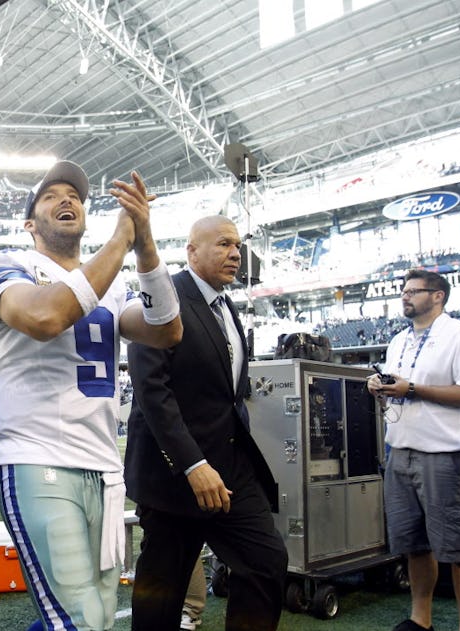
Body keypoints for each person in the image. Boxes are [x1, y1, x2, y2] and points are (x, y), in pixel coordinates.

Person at [0, 160, 182, 630]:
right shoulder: (1, 265)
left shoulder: (111, 282)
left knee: (97, 617)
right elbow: (45, 317)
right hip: (37, 457)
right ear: (29, 224)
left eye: (75, 196)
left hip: (103, 467)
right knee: (79, 619)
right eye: (51, 196)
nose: (67, 199)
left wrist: (145, 244)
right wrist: (121, 240)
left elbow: (166, 331)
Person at [125, 215, 287, 631]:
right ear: (192, 251)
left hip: (231, 470)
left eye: (237, 245)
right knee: (161, 595)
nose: (235, 254)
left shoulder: (225, 305)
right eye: (224, 244)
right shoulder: (163, 297)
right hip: (175, 476)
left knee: (265, 561)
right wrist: (192, 464)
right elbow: (151, 390)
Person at [367, 269, 460, 631]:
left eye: (413, 291)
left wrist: (412, 389)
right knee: (415, 545)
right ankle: (420, 620)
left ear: (438, 296)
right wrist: (380, 386)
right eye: (404, 291)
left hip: (445, 455)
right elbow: (399, 387)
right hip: (400, 451)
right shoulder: (398, 340)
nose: (405, 296)